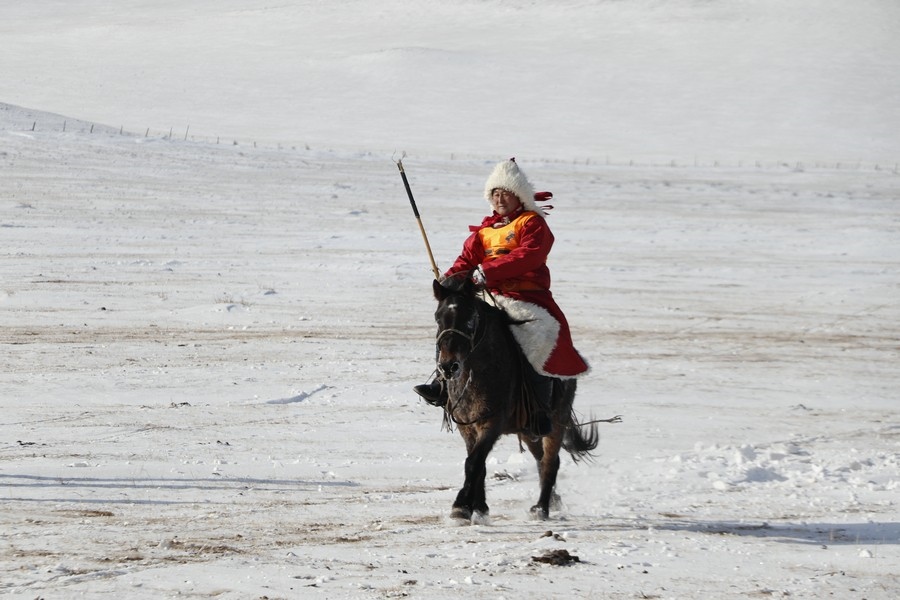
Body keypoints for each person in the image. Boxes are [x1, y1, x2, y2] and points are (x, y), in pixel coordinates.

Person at [415, 158, 589, 435]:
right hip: (488, 298)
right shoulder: (485, 232)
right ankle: (442, 385)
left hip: (526, 297)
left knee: (538, 337)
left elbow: (530, 255)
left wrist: (487, 272)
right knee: (452, 327)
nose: (499, 199)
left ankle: (539, 410)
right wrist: (450, 279)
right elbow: (466, 260)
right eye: (494, 194)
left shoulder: (531, 223)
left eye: (505, 192)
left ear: (519, 195)